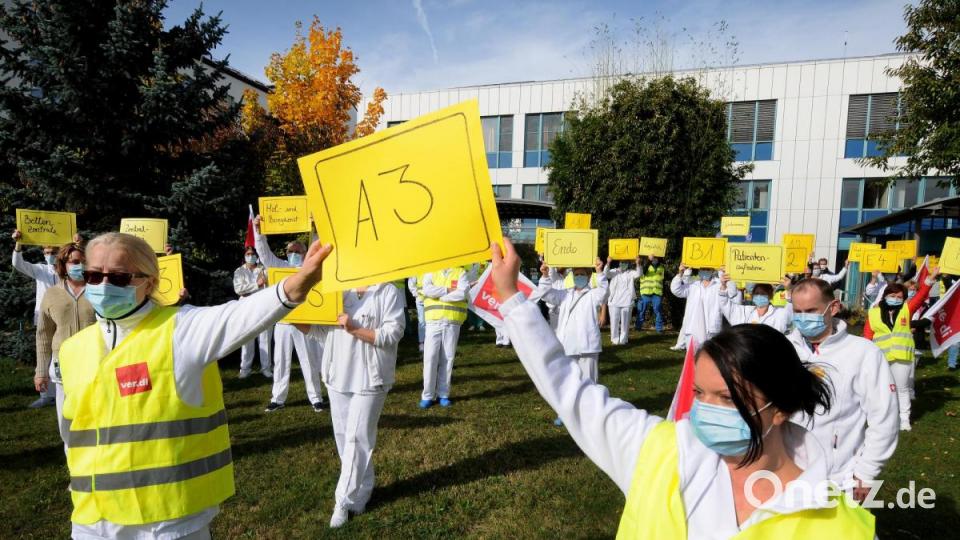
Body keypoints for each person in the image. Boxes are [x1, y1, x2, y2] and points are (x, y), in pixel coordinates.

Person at [488, 239, 875, 538]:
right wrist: (511, 300)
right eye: (698, 393)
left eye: (727, 397)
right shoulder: (657, 452)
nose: (704, 410)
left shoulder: (839, 525)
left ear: (781, 408)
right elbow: (568, 388)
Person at [57, 232, 330, 539]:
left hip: (165, 523)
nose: (103, 286)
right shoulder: (72, 349)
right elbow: (73, 432)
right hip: (91, 521)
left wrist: (298, 283)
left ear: (149, 282)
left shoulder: (179, 330)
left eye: (119, 278)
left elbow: (238, 316)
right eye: (94, 275)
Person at [301, 282, 404, 528]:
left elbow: (393, 333)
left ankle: (342, 502)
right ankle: (364, 488)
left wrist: (354, 328)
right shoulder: (338, 288)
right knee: (343, 438)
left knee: (357, 438)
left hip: (370, 378)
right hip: (338, 375)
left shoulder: (387, 291)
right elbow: (321, 333)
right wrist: (294, 318)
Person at [787, 278, 899, 499]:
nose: (803, 318)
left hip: (840, 477)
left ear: (834, 307)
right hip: (788, 473)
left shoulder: (864, 353)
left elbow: (884, 416)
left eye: (810, 310)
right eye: (797, 311)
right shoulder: (784, 349)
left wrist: (866, 473)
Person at [254, 216, 325, 413]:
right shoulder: (280, 268)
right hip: (284, 321)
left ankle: (316, 397)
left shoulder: (309, 268)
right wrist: (259, 232)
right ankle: (278, 398)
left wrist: (315, 228)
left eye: (298, 251)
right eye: (290, 251)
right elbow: (265, 255)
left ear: (304, 253)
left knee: (309, 360)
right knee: (281, 360)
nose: (294, 254)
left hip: (305, 319)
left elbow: (318, 248)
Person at [35, 242, 95, 450]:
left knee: (94, 416)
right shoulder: (52, 294)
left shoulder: (98, 291)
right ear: (63, 264)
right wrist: (41, 372)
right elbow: (43, 334)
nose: (79, 266)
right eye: (74, 262)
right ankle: (74, 470)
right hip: (63, 365)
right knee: (66, 421)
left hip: (94, 362)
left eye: (83, 262)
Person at [862, 269, 937, 431]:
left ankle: (904, 419)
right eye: (892, 296)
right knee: (882, 390)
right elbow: (867, 337)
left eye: (899, 297)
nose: (896, 299)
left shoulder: (906, 309)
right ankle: (883, 418)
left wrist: (930, 280)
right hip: (881, 358)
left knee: (901, 389)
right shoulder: (873, 313)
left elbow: (921, 295)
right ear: (885, 295)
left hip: (901, 357)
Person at [536, 258, 608, 425]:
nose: (579, 277)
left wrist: (600, 272)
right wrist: (545, 275)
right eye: (576, 274)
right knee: (568, 382)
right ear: (572, 276)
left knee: (589, 381)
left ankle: (590, 413)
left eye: (582, 274)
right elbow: (546, 294)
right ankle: (566, 413)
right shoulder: (566, 294)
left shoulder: (593, 294)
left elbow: (604, 292)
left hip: (587, 346)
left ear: (589, 277)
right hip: (568, 346)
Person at [12, 229, 68, 408]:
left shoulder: (67, 269)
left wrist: (78, 244)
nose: (49, 255)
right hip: (43, 316)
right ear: (43, 253)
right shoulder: (39, 269)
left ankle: (65, 390)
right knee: (44, 354)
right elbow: (18, 264)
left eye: (53, 252)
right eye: (46, 252)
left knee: (64, 352)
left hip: (64, 316)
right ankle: (46, 396)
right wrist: (19, 245)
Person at [420, 266, 469, 408]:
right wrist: (448, 290)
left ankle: (443, 394)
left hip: (452, 321)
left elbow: (462, 293)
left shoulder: (460, 272)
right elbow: (427, 290)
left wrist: (439, 296)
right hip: (433, 320)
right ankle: (427, 395)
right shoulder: (430, 271)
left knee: (448, 358)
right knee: (430, 358)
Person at [670, 266, 735, 348]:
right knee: (693, 358)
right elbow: (675, 290)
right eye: (703, 269)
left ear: (712, 270)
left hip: (711, 330)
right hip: (692, 329)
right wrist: (680, 273)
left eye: (708, 269)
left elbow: (732, 293)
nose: (705, 271)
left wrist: (726, 277)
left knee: (709, 356)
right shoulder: (693, 284)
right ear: (699, 270)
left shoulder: (719, 284)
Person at [233, 246, 272, 379]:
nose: (251, 256)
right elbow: (239, 290)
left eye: (253, 254)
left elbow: (268, 288)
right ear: (244, 255)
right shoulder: (239, 271)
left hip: (263, 307)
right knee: (247, 338)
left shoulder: (264, 270)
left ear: (257, 255)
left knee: (265, 338)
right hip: (245, 308)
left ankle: (266, 368)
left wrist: (255, 287)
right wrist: (257, 285)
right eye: (248, 254)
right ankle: (245, 368)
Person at [718, 276, 793, 334]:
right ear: (753, 296)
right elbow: (725, 305)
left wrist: (789, 289)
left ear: (770, 296)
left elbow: (791, 310)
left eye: (763, 294)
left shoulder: (779, 314)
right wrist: (723, 285)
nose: (760, 296)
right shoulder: (745, 312)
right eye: (757, 294)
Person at [605, 255, 641, 345]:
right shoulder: (614, 271)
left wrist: (638, 264)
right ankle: (615, 340)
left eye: (625, 262)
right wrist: (608, 263)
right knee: (614, 322)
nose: (623, 264)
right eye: (622, 262)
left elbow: (639, 274)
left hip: (627, 301)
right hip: (614, 302)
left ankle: (623, 340)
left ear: (628, 264)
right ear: (619, 263)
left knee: (625, 322)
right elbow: (606, 274)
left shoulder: (631, 272)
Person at [636, 255, 666, 334]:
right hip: (645, 293)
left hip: (657, 293)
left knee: (658, 310)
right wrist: (649, 260)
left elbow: (662, 280)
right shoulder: (644, 266)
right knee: (641, 310)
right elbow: (644, 271)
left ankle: (659, 329)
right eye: (653, 258)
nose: (655, 259)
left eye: (656, 257)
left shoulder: (662, 268)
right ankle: (638, 327)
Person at [407, 275, 427, 352]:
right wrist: (416, 294)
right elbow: (411, 283)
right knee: (422, 321)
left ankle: (429, 341)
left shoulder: (432, 268)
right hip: (421, 300)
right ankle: (421, 343)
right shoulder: (418, 270)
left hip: (431, 300)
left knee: (431, 322)